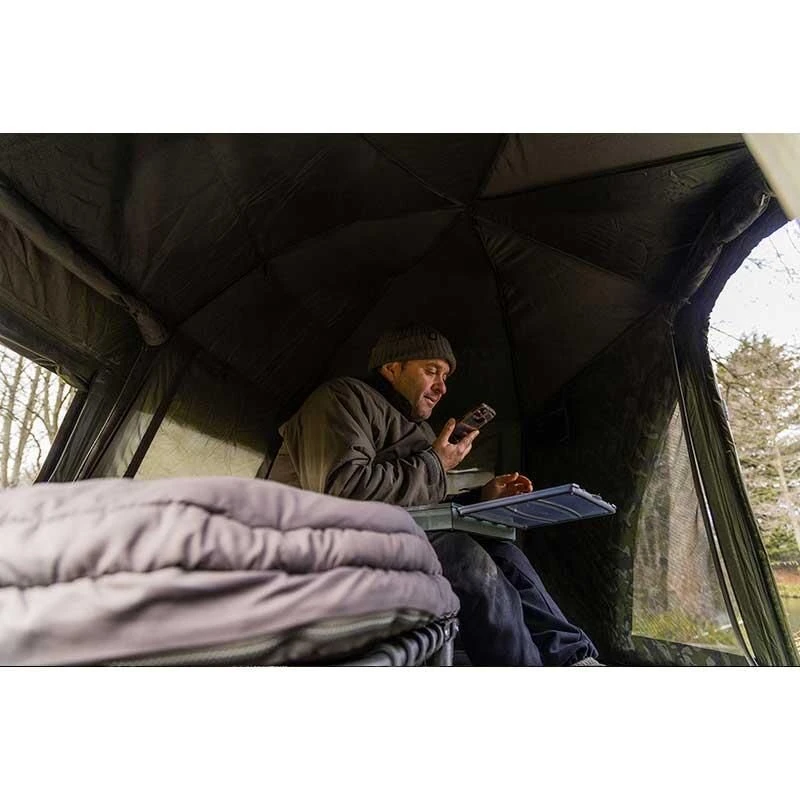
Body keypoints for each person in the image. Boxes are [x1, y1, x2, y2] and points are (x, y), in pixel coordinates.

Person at [269, 324, 601, 666]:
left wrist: (482, 498)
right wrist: (435, 463)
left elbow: (423, 505)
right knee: (464, 556)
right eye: (431, 371)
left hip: (394, 538)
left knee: (505, 552)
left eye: (445, 376)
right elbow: (344, 492)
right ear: (392, 368)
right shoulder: (341, 398)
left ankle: (573, 660)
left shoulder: (420, 431)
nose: (442, 387)